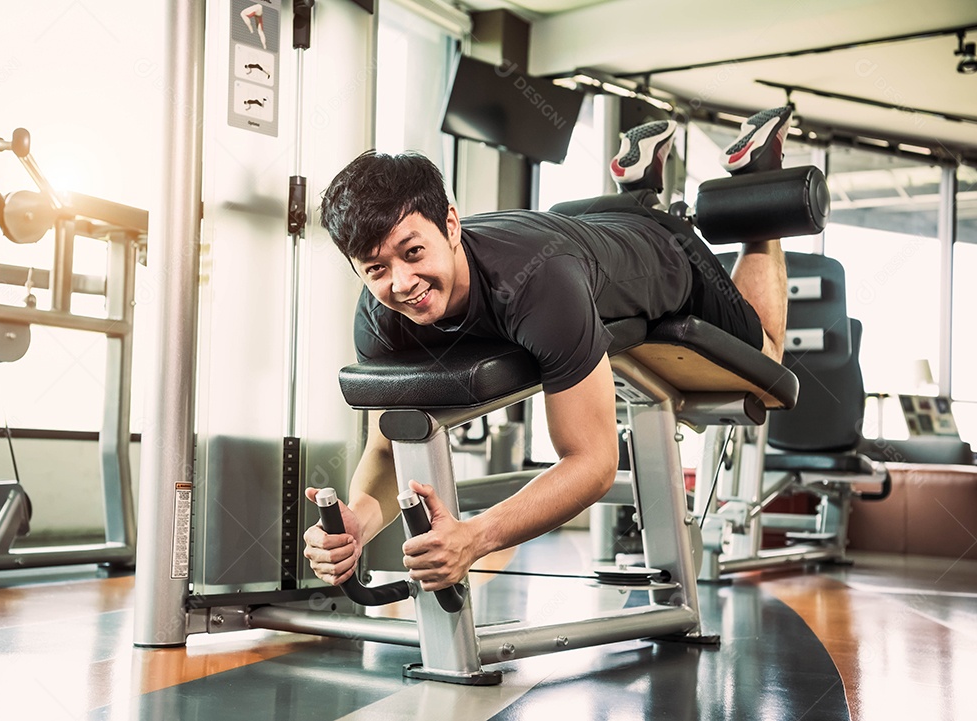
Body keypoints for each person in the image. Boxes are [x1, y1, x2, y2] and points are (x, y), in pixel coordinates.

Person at [302, 106, 793, 593]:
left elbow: (593, 461)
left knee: (767, 358)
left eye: (413, 253)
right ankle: (638, 186)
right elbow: (387, 450)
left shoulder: (539, 286)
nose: (402, 283)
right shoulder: (377, 319)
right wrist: (359, 523)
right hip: (579, 230)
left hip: (662, 251)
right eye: (376, 269)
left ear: (451, 225)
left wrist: (475, 538)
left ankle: (755, 186)